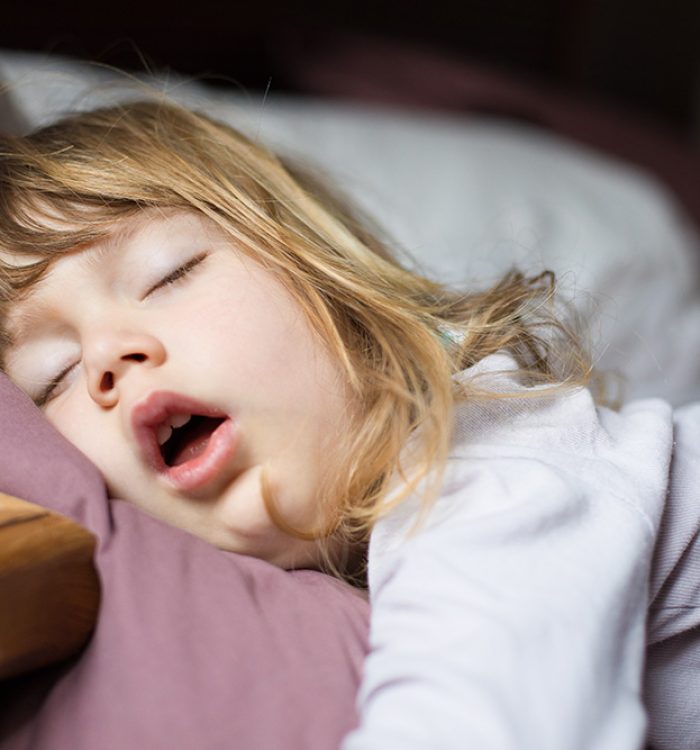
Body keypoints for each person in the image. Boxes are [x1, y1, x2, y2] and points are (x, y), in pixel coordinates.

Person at [0, 100, 697, 750]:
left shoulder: (491, 459)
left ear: (332, 290)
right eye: (54, 376)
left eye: (168, 274)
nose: (107, 356)